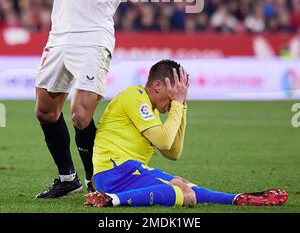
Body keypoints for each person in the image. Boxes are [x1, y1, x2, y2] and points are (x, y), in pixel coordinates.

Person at [24, 0, 143, 198]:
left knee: (80, 115)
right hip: (60, 37)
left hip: (95, 38)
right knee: (45, 112)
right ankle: (67, 178)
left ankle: (96, 183)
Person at [86, 60, 288, 208]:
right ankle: (111, 199)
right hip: (115, 172)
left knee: (184, 185)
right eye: (175, 90)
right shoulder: (134, 97)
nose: (178, 95)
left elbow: (173, 152)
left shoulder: (151, 109)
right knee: (186, 194)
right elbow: (164, 142)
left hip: (128, 171)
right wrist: (177, 104)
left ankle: (238, 198)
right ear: (157, 86)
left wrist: (181, 106)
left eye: (182, 91)